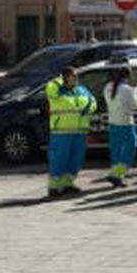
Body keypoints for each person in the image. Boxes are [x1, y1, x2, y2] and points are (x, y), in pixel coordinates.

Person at [46, 66, 97, 196]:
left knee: (76, 158)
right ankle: (54, 186)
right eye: (72, 75)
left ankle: (68, 183)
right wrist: (60, 79)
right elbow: (49, 87)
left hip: (80, 130)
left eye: (76, 76)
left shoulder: (81, 90)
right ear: (65, 77)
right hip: (61, 131)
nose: (75, 78)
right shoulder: (56, 89)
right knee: (59, 158)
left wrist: (89, 109)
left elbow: (92, 101)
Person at [105, 66, 137, 187]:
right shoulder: (127, 89)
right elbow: (135, 106)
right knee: (130, 147)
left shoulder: (108, 87)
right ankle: (117, 174)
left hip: (113, 122)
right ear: (128, 77)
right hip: (125, 122)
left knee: (116, 150)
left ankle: (116, 175)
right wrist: (135, 92)